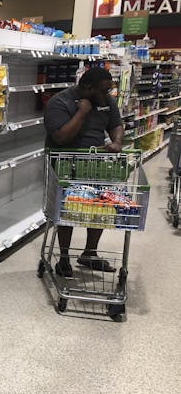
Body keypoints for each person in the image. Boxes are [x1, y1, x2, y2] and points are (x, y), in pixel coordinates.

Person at [44, 66, 124, 276]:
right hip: (65, 164)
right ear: (88, 88)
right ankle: (63, 258)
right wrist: (82, 111)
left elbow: (116, 124)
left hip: (96, 165)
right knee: (66, 211)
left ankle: (90, 254)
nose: (107, 95)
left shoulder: (107, 102)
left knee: (99, 209)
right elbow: (61, 138)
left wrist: (116, 141)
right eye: (103, 91)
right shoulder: (59, 102)